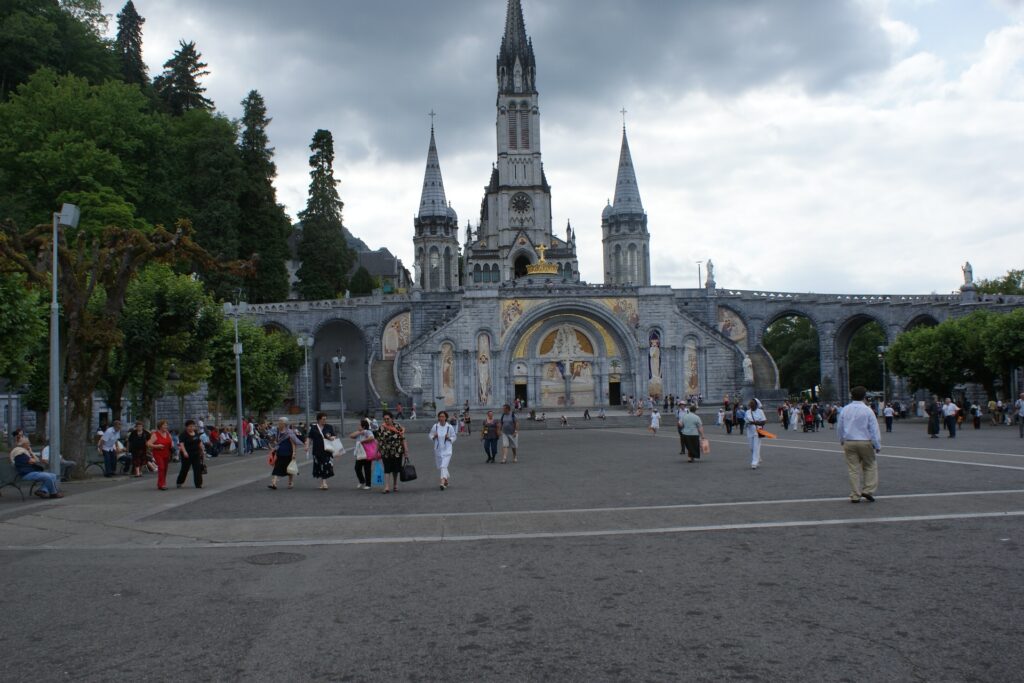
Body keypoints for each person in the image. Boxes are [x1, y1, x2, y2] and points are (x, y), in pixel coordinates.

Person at [836, 386, 881, 503]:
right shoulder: (868, 410)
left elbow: (840, 427)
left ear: (851, 396)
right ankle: (868, 489)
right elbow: (874, 429)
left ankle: (855, 495)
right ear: (864, 396)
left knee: (853, 469)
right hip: (865, 441)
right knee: (870, 466)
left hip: (849, 442)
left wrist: (841, 439)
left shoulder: (845, 409)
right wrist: (877, 444)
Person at [376, 411, 407, 493]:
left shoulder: (398, 426)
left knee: (396, 469)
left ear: (392, 419)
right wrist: (376, 451)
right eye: (385, 419)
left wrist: (406, 451)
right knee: (387, 469)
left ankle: (395, 484)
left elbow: (403, 439)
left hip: (397, 451)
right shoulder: (381, 428)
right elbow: (378, 441)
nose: (386, 420)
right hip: (385, 452)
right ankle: (387, 486)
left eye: (388, 419)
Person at [268, 417, 302, 490]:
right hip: (280, 452)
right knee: (277, 468)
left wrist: (294, 453)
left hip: (288, 452)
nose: (279, 423)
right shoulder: (277, 432)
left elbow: (293, 443)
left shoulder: (289, 432)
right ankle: (274, 483)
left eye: (280, 422)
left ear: (285, 423)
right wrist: (274, 446)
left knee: (290, 469)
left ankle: (290, 482)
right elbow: (275, 441)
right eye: (279, 421)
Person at [305, 412, 337, 491]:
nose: (325, 420)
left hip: (327, 450)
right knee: (319, 466)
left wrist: (331, 438)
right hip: (317, 450)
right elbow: (309, 437)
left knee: (326, 465)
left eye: (325, 419)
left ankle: (324, 482)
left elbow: (334, 436)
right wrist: (307, 446)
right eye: (323, 419)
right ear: (319, 419)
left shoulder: (329, 427)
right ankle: (322, 482)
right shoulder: (314, 427)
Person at [430, 410, 457, 490]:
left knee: (443, 466)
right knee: (441, 466)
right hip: (438, 449)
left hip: (447, 449)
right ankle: (446, 480)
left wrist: (449, 438)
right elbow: (430, 435)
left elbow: (454, 436)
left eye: (443, 416)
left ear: (446, 418)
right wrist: (434, 436)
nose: (441, 418)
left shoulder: (449, 427)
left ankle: (442, 482)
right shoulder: (435, 426)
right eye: (440, 416)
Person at [176, 419, 206, 489]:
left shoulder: (196, 433)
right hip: (187, 454)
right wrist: (184, 452)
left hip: (196, 453)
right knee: (185, 469)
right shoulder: (183, 435)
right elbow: (181, 444)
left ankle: (198, 484)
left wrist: (202, 450)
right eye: (190, 426)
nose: (192, 428)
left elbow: (199, 442)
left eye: (193, 426)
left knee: (197, 469)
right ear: (186, 427)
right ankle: (179, 482)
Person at [349, 418, 376, 490]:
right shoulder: (359, 432)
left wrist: (363, 441)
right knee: (357, 468)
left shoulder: (367, 432)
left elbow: (372, 437)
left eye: (359, 425)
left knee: (367, 468)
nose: (358, 426)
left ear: (363, 426)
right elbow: (351, 436)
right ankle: (362, 481)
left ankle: (368, 484)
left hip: (367, 452)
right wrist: (360, 432)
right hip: (360, 453)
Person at [146, 420, 173, 490]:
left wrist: (172, 446)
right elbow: (148, 443)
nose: (166, 426)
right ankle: (161, 485)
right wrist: (156, 446)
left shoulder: (168, 434)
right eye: (164, 425)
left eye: (166, 425)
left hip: (167, 453)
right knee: (161, 467)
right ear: (160, 426)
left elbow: (171, 442)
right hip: (158, 454)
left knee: (165, 469)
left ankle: (161, 483)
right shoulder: (155, 434)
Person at [745, 399, 767, 469]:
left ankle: (754, 463)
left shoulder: (760, 411)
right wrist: (747, 423)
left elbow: (764, 422)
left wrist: (755, 423)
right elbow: (745, 420)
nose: (751, 405)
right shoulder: (747, 412)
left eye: (752, 404)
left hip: (758, 431)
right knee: (751, 448)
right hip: (750, 431)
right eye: (750, 404)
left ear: (756, 405)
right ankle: (758, 458)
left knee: (756, 447)